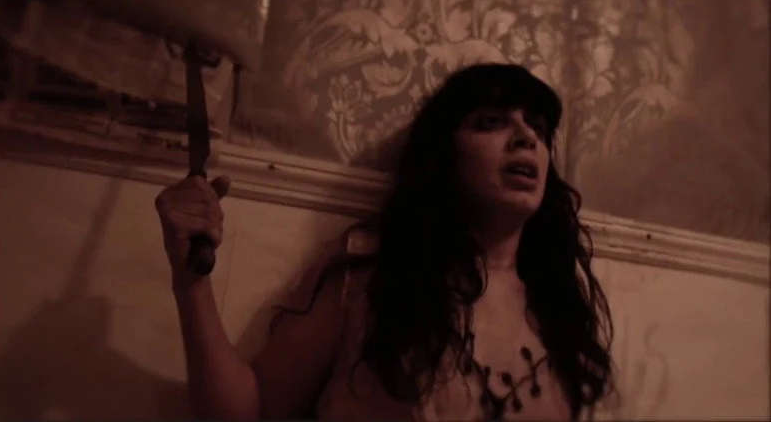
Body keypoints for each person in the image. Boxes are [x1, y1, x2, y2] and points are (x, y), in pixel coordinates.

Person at [155, 63, 616, 421]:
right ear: (444, 155)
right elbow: (249, 412)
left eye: (538, 128)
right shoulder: (371, 274)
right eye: (490, 121)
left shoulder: (560, 307)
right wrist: (191, 281)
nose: (526, 138)